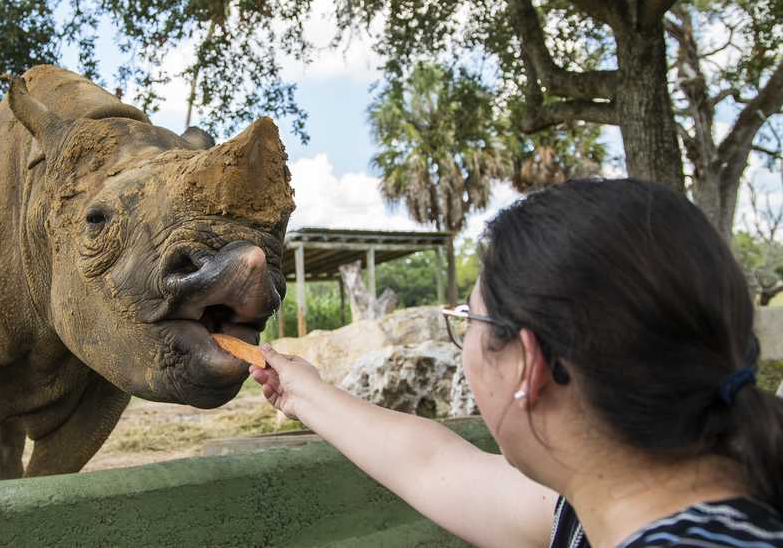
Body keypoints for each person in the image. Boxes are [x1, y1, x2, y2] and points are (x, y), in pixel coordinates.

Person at [252, 179, 783, 547]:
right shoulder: (617, 502)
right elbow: (432, 466)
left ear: (529, 364)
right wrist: (303, 392)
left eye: (469, 321)